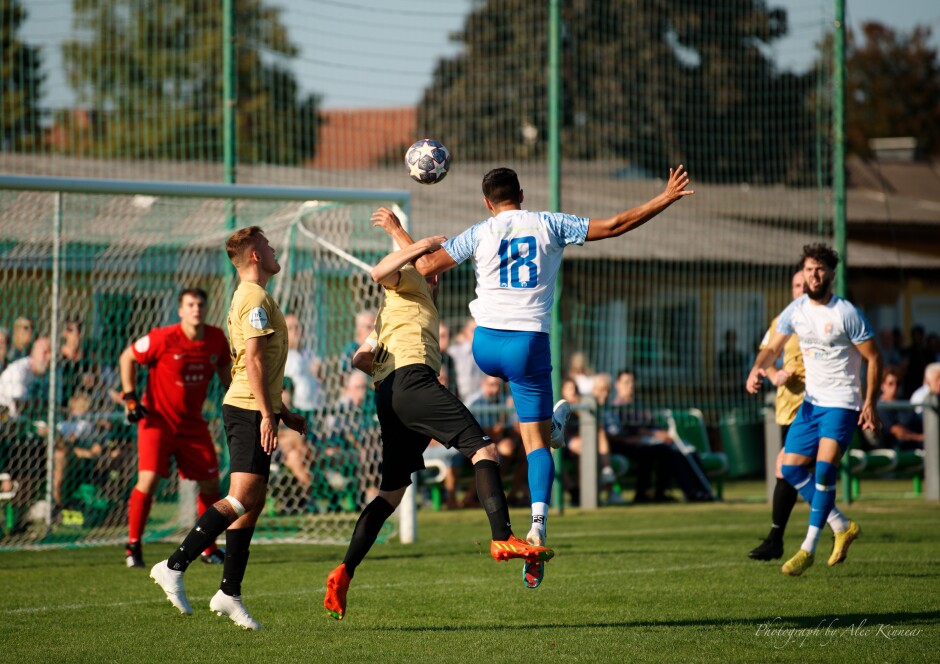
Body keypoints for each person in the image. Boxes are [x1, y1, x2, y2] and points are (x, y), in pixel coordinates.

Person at [414, 164, 694, 587]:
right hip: (527, 345)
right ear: (521, 195)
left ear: (488, 203)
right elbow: (616, 225)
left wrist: (406, 238)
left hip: (484, 347)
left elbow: (426, 266)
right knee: (536, 443)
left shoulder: (479, 231)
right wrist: (665, 197)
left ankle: (552, 425)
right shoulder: (551, 223)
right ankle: (538, 525)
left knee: (531, 423)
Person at [322, 211, 554, 621]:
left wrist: (399, 232)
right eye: (432, 271)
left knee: (389, 493)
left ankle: (344, 571)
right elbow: (383, 270)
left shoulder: (395, 313)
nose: (436, 275)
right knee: (484, 450)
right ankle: (502, 538)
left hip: (389, 395)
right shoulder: (408, 282)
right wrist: (420, 243)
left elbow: (360, 358)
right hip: (413, 384)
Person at [149, 227, 307, 630]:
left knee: (250, 503)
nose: (274, 250)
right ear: (255, 255)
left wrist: (281, 411)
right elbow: (252, 361)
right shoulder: (253, 296)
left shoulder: (253, 296)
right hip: (248, 409)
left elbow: (255, 366)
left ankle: (229, 593)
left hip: (254, 406)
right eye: (268, 246)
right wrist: (268, 415)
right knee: (242, 497)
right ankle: (173, 565)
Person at [746, 243, 881, 577]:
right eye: (809, 269)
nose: (814, 275)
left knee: (823, 471)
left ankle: (807, 548)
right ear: (803, 273)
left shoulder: (845, 312)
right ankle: (842, 525)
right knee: (789, 470)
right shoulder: (795, 311)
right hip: (811, 405)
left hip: (841, 403)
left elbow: (874, 358)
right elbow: (772, 348)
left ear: (831, 274)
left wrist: (869, 403)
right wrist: (756, 370)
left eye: (820, 269)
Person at [119, 288, 232, 569]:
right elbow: (127, 358)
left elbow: (224, 369)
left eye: (201, 305)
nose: (196, 309)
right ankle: (133, 545)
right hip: (157, 423)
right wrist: (130, 397)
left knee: (211, 483)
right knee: (149, 481)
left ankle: (209, 548)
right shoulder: (163, 337)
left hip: (193, 424)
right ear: (180, 310)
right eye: (190, 305)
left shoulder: (216, 338)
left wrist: (239, 390)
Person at [748, 270, 807, 561]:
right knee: (788, 471)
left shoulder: (828, 317)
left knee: (787, 468)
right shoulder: (784, 320)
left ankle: (779, 539)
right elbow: (767, 356)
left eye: (806, 283)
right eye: (797, 284)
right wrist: (774, 374)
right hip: (788, 407)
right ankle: (834, 526)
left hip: (817, 406)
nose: (802, 288)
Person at [869, 366, 922, 450]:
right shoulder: (881, 407)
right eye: (890, 383)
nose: (895, 387)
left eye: (897, 383)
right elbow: (897, 431)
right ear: (882, 385)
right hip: (898, 447)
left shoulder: (904, 404)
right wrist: (920, 438)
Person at [283, 313, 324, 414]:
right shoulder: (282, 356)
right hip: (295, 409)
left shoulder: (308, 353)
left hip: (314, 407)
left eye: (297, 327)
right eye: (290, 328)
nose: (295, 331)